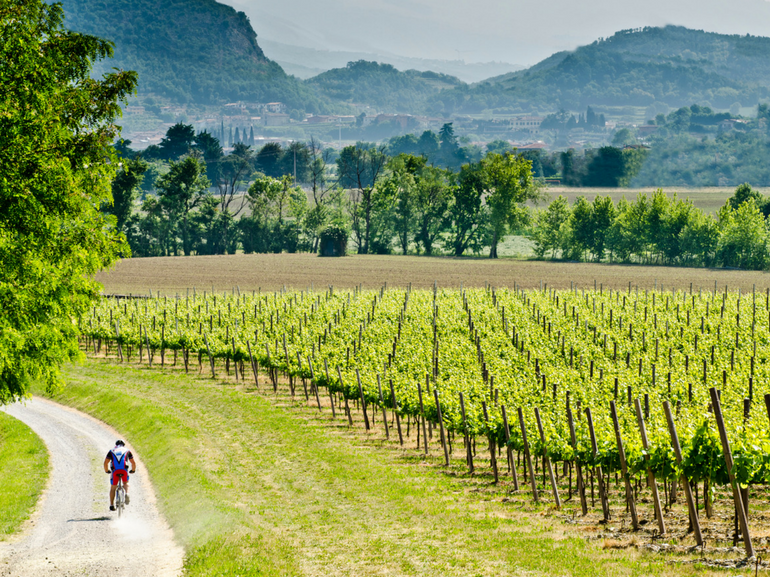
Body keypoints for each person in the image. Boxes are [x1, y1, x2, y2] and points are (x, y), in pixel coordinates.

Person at [104, 440, 136, 511]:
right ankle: (127, 493)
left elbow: (106, 463)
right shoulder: (127, 450)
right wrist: (133, 470)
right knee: (126, 483)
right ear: (123, 445)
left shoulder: (111, 451)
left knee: (113, 488)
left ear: (116, 445)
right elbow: (133, 463)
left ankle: (111, 505)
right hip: (124, 470)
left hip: (115, 471)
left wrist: (107, 470)